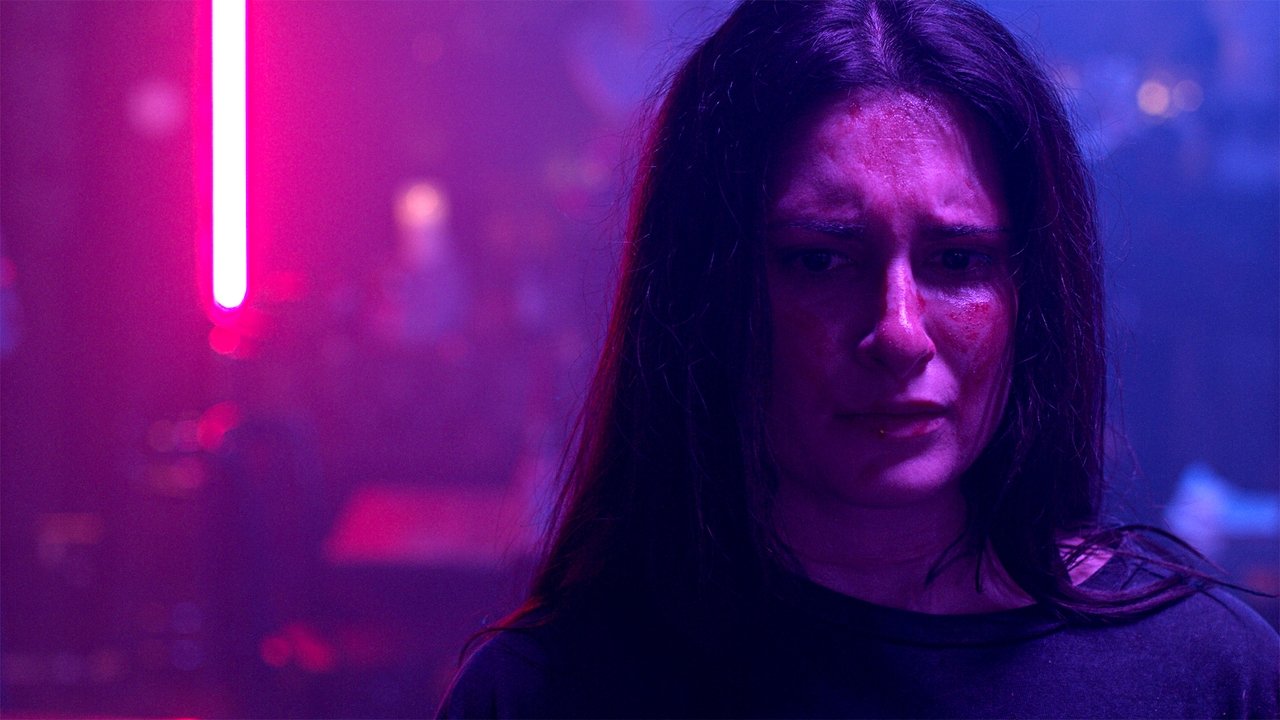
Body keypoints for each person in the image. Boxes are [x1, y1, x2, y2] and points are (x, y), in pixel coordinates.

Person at [439, 0, 1280, 717]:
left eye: (956, 261)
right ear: (710, 291)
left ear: (1031, 293)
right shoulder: (547, 693)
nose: (900, 332)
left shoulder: (1203, 678)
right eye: (821, 260)